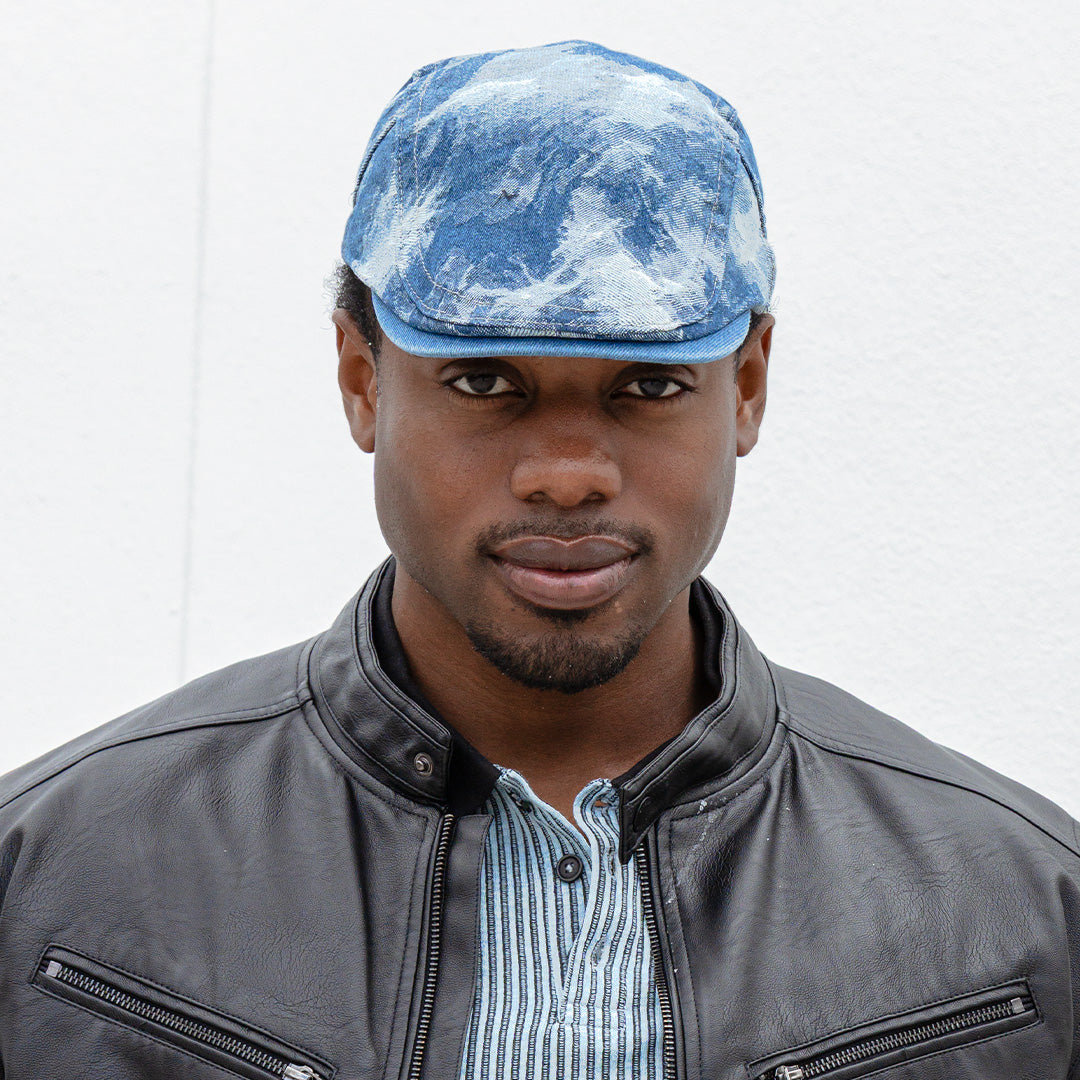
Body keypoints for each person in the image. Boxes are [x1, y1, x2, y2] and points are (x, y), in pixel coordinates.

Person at [0, 38, 1076, 1080]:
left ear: (747, 387)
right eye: (483, 381)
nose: (567, 475)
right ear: (362, 379)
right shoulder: (55, 882)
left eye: (648, 385)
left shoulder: (1021, 917)